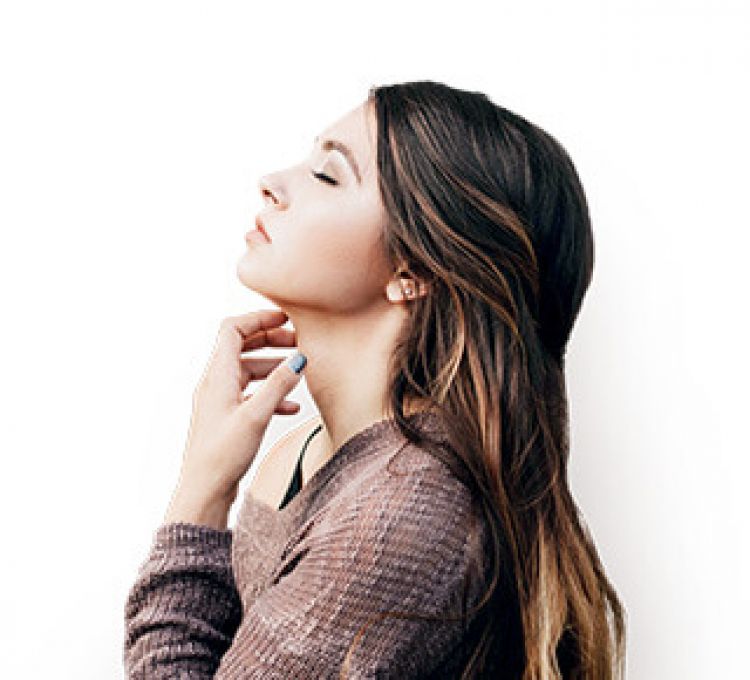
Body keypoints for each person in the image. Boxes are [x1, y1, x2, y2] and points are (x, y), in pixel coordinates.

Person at [123, 80, 626, 679]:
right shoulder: (303, 453)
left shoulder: (398, 515)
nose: (272, 183)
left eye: (328, 176)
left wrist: (201, 491)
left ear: (412, 270)